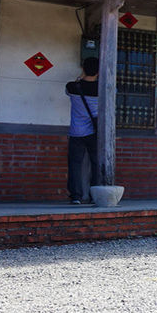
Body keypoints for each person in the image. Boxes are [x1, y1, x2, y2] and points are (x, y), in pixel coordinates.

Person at [66, 57, 99, 204]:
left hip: (76, 132)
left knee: (75, 164)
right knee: (96, 164)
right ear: (99, 71)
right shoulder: (103, 88)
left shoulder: (72, 87)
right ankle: (96, 194)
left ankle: (76, 196)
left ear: (84, 68)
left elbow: (68, 90)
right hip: (95, 132)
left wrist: (80, 76)